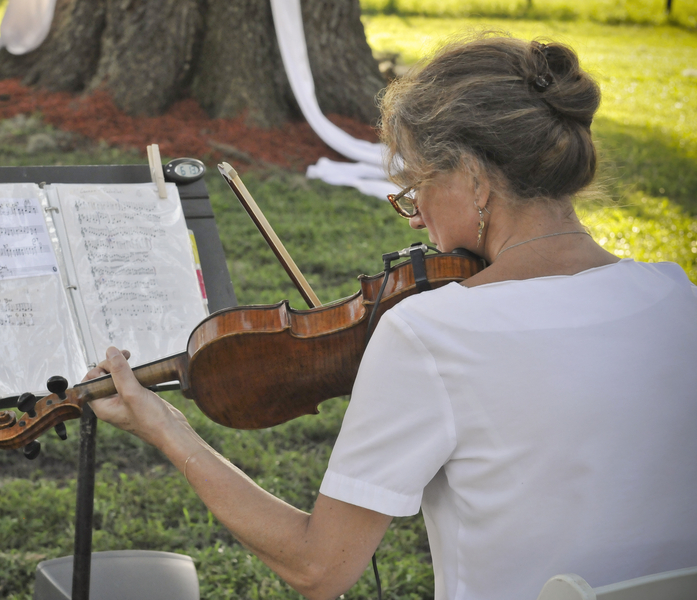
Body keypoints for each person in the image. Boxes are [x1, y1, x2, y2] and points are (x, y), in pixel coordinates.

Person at [84, 34, 697, 600]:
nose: (414, 216)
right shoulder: (676, 297)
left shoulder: (433, 332)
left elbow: (318, 567)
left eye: (415, 185)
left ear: (476, 180)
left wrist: (165, 427)